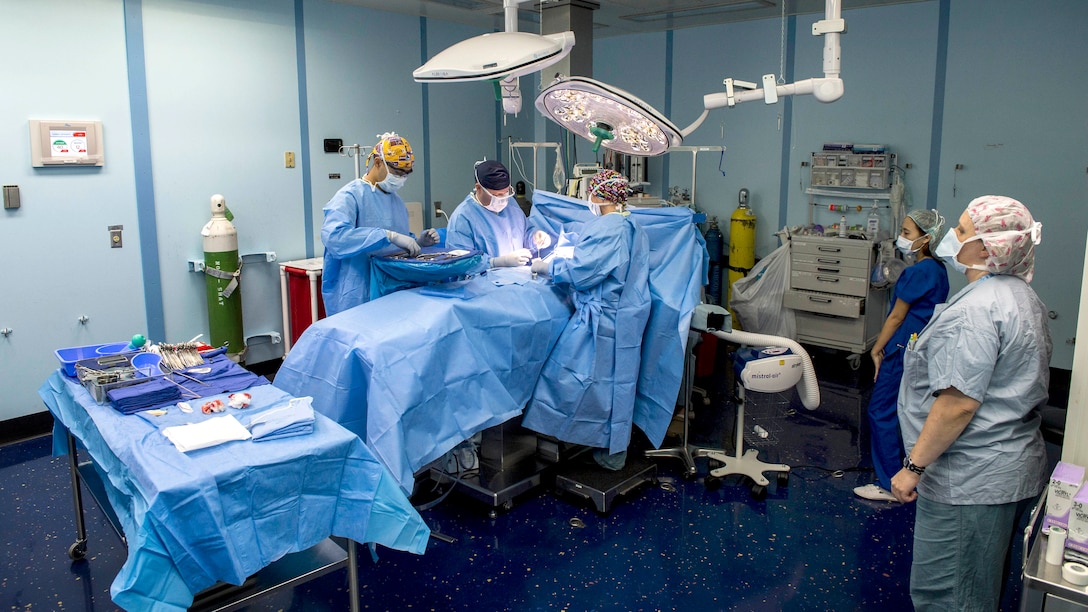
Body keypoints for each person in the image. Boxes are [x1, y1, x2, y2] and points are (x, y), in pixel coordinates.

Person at [890, 196, 1049, 610]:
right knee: (979, 586)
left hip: (970, 479)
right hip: (1010, 468)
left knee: (949, 596)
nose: (951, 238)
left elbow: (957, 404)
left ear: (984, 248)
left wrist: (912, 468)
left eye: (960, 231)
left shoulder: (977, 310)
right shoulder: (1021, 296)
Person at [522, 170, 651, 471]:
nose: (587, 198)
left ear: (600, 195)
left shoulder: (610, 228)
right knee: (617, 385)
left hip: (603, 319)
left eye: (590, 192)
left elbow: (584, 272)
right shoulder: (632, 224)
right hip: (627, 316)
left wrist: (548, 267)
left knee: (570, 377)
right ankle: (611, 447)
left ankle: (578, 437)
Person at [853, 210, 950, 503]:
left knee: (880, 411)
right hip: (921, 348)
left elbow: (896, 317)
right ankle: (909, 473)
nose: (901, 238)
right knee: (908, 412)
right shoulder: (939, 271)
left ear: (927, 239)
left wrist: (876, 347)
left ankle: (889, 483)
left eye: (907, 233)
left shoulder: (917, 272)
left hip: (900, 349)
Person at [321, 132, 439, 315]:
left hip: (391, 291)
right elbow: (335, 238)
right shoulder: (350, 196)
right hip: (357, 294)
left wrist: (418, 242)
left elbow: (395, 245)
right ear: (377, 163)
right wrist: (386, 235)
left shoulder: (396, 201)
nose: (401, 179)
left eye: (406, 174)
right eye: (397, 172)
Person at [445, 159, 551, 268]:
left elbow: (524, 232)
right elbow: (461, 263)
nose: (502, 200)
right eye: (496, 195)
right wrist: (497, 262)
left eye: (505, 193)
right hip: (480, 282)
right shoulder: (462, 218)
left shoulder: (510, 203)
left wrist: (534, 238)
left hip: (516, 277)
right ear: (478, 188)